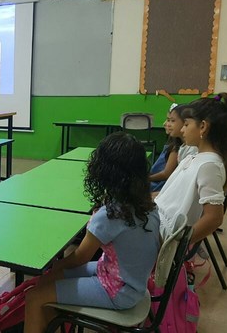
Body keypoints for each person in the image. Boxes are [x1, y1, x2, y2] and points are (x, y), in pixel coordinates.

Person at [24, 132, 161, 333]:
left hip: (119, 290)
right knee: (47, 280)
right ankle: (52, 324)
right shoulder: (147, 204)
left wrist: (54, 266)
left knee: (35, 296)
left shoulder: (111, 214)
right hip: (130, 280)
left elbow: (79, 257)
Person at [156, 93, 227, 245]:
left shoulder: (209, 165)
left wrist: (177, 245)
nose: (182, 130)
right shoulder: (193, 158)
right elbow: (172, 195)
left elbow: (214, 218)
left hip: (163, 234)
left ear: (203, 127)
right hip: (158, 222)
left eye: (186, 124)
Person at [149, 103, 184, 192]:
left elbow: (166, 174)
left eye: (171, 120)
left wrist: (146, 179)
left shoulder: (176, 147)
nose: (165, 124)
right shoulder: (173, 143)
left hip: (160, 186)